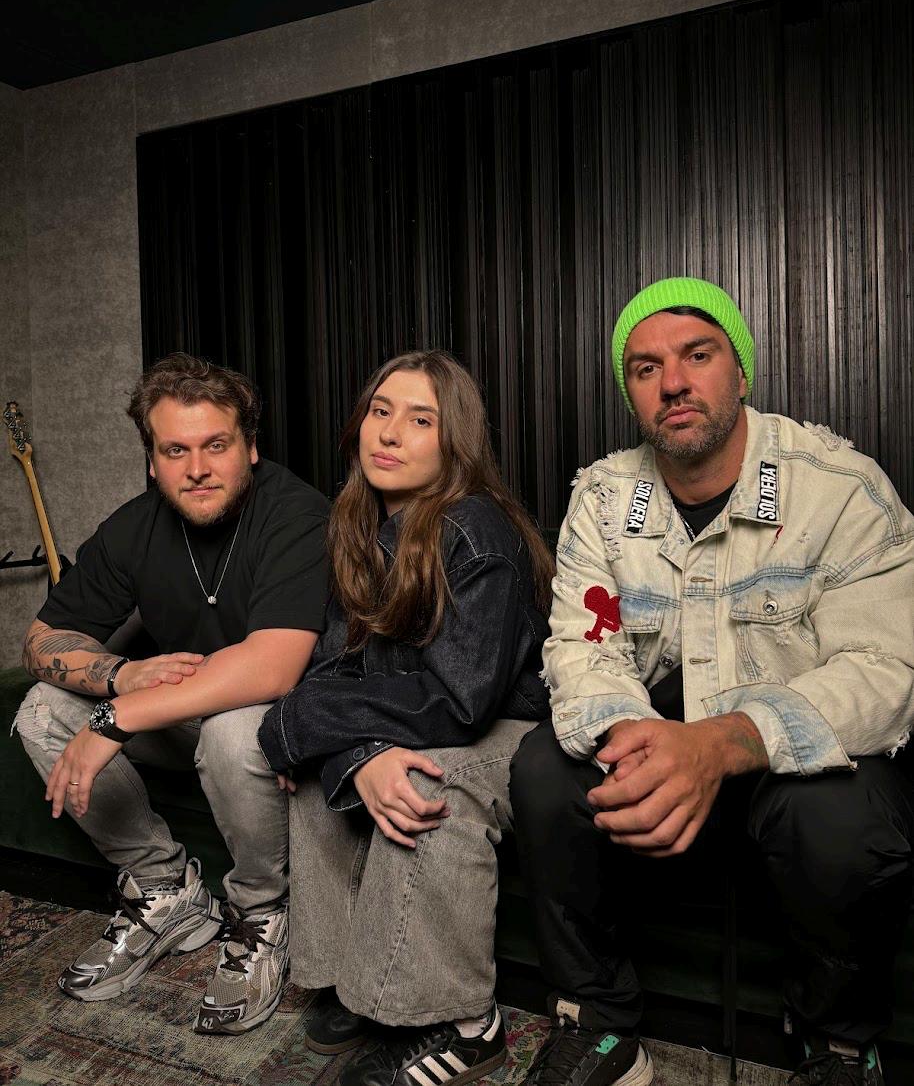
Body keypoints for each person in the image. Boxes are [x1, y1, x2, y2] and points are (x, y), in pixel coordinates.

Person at [509, 278, 914, 1086]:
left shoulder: (839, 489)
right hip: (655, 741)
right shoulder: (604, 498)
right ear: (631, 392)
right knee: (545, 769)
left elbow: (884, 671)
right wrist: (635, 741)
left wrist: (725, 743)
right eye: (645, 367)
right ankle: (598, 1022)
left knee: (844, 817)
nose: (673, 382)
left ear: (742, 371)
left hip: (783, 758)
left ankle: (835, 1042)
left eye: (698, 355)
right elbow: (583, 645)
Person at [258, 349, 553, 1086]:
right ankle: (353, 981)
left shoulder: (476, 530)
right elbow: (335, 666)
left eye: (421, 420)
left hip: (507, 729)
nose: (389, 433)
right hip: (415, 714)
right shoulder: (358, 524)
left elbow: (463, 699)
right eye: (380, 411)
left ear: (454, 442)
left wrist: (321, 724)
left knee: (423, 782)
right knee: (318, 766)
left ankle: (466, 1025)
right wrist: (352, 751)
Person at [15, 353, 329, 1035]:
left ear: (250, 447)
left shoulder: (296, 514)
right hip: (181, 716)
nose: (197, 468)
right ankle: (166, 891)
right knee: (41, 710)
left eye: (217, 445)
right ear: (153, 461)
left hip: (285, 735)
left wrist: (116, 716)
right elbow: (39, 641)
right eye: (175, 450)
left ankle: (263, 913)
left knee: (232, 727)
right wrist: (119, 676)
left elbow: (272, 668)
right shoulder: (136, 526)